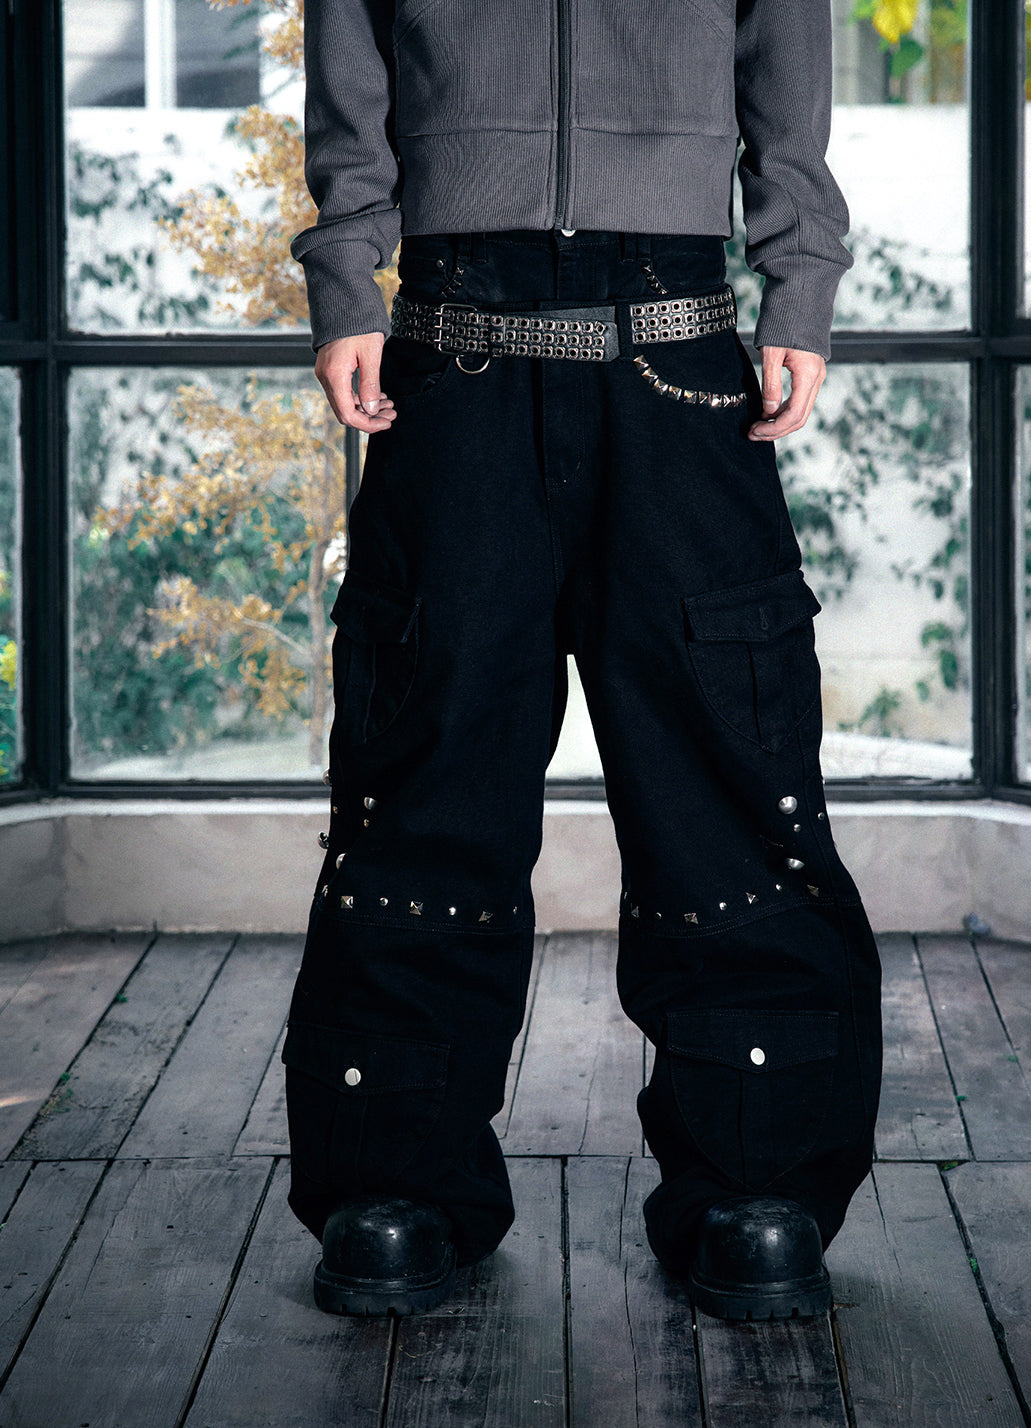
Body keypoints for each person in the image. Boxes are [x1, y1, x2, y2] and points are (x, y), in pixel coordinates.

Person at [284, 0, 883, 1322]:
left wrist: (801, 275)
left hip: (681, 345)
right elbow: (350, 42)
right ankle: (398, 1174)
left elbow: (784, 47)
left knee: (729, 771)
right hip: (450, 342)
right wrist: (347, 272)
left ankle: (755, 1174)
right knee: (425, 763)